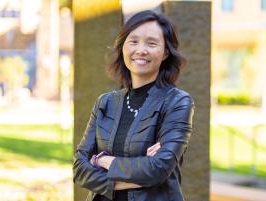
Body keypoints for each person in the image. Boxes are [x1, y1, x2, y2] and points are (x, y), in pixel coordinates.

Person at [73, 10, 195, 201]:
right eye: (134, 41)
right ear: (123, 47)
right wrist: (141, 170)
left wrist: (101, 160)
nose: (141, 50)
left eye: (151, 43)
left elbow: (158, 169)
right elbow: (79, 168)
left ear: (165, 53)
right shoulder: (105, 102)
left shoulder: (177, 102)